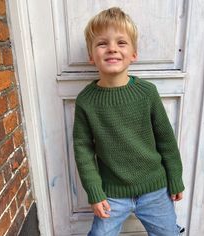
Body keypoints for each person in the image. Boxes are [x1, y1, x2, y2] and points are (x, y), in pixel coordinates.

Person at [73, 7, 185, 236]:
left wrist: (175, 176)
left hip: (155, 189)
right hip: (111, 193)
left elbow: (165, 139)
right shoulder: (86, 101)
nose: (112, 48)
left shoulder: (147, 93)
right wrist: (94, 192)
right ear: (91, 55)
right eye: (102, 43)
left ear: (133, 53)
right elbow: (83, 150)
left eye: (121, 43)